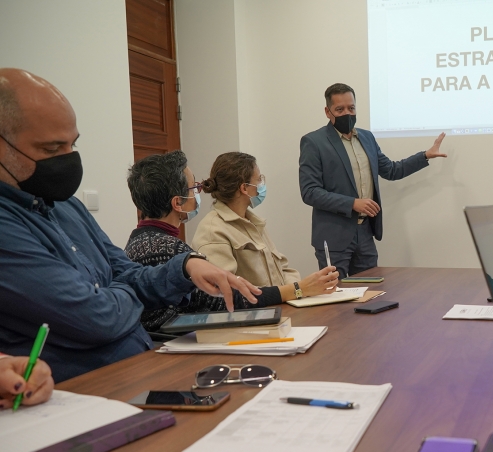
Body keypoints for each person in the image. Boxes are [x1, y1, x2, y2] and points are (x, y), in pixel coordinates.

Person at [0, 69, 261, 383]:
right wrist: (125, 294)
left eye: (74, 145)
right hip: (86, 393)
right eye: (52, 150)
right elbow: (95, 318)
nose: (69, 159)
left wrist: (184, 267)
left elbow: (126, 275)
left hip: (141, 371)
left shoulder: (65, 204)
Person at [124, 151, 329, 332]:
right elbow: (226, 300)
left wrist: (301, 290)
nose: (198, 192)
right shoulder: (173, 249)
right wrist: (299, 289)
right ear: (178, 202)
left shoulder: (139, 242)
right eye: (194, 187)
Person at [299, 83, 447, 277]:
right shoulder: (314, 142)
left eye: (351, 108)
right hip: (334, 237)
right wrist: (352, 203)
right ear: (328, 112)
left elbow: (392, 170)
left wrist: (425, 155)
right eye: (340, 109)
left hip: (365, 234)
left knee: (370, 296)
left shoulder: (366, 138)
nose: (347, 113)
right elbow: (310, 192)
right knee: (336, 300)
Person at [192, 151, 339, 297]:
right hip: (254, 316)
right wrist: (298, 290)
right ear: (244, 188)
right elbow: (227, 294)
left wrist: (305, 289)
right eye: (259, 179)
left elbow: (283, 270)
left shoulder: (254, 222)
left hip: (282, 308)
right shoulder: (212, 231)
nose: (262, 183)